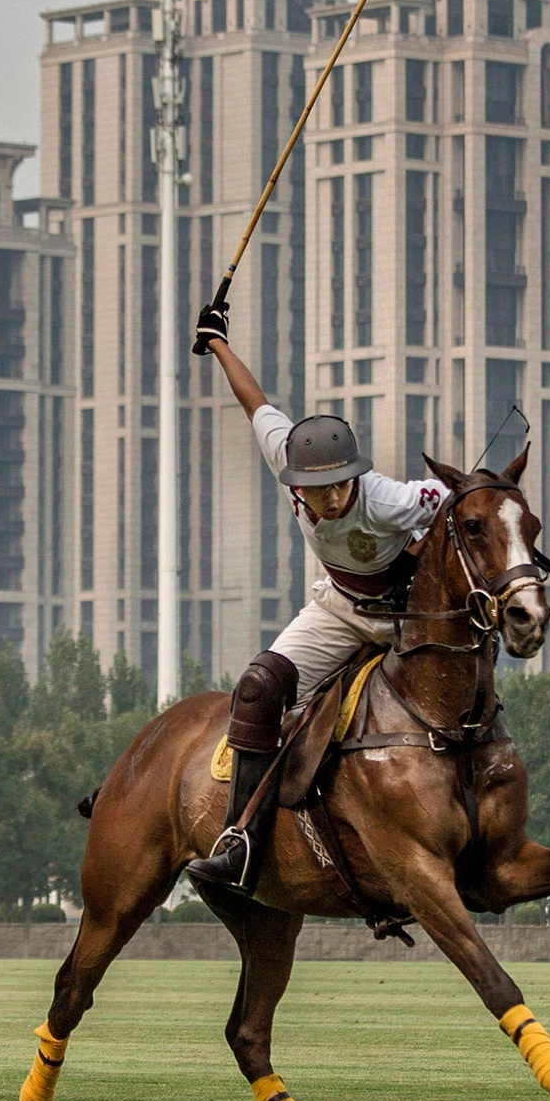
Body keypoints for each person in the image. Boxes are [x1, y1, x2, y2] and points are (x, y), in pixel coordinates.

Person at [184, 303, 449, 894]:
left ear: (353, 475)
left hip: (406, 619)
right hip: (338, 609)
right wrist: (219, 343)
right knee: (257, 686)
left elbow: (461, 503)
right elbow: (258, 405)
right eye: (313, 490)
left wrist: (421, 556)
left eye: (335, 487)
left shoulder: (390, 498)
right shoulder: (290, 458)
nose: (326, 500)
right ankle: (241, 845)